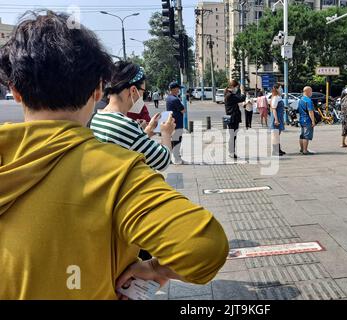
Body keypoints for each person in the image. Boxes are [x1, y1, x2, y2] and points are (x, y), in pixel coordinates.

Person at [0, 11, 228, 300]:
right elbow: (205, 247)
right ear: (97, 90)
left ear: (15, 90)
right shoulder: (117, 172)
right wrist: (156, 269)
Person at [90, 61, 174, 172]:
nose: (143, 96)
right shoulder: (124, 125)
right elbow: (163, 161)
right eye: (143, 91)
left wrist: (147, 131)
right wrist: (166, 133)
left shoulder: (97, 117)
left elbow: (127, 144)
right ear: (133, 90)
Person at [224, 80, 246, 160]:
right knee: (233, 136)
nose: (237, 89)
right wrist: (243, 91)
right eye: (237, 87)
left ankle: (231, 152)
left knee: (232, 136)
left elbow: (237, 96)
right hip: (233, 118)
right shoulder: (230, 96)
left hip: (230, 118)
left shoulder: (228, 94)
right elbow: (241, 98)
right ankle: (231, 152)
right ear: (233, 87)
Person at [166, 82, 186, 165]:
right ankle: (177, 158)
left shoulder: (168, 98)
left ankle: (171, 157)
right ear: (174, 89)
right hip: (177, 123)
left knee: (174, 140)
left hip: (172, 122)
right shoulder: (175, 99)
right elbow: (183, 110)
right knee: (177, 140)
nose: (179, 90)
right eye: (178, 88)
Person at [298, 86, 316, 155]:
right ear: (307, 91)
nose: (311, 93)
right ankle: (305, 150)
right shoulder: (308, 100)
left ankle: (302, 149)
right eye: (311, 91)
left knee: (302, 135)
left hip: (302, 119)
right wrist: (313, 121)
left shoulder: (301, 99)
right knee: (306, 136)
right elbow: (310, 111)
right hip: (307, 120)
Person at [269, 84, 286, 156]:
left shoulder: (278, 97)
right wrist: (276, 120)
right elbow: (274, 109)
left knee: (277, 135)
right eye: (280, 88)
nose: (281, 89)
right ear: (277, 89)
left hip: (279, 118)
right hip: (276, 118)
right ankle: (275, 151)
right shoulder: (275, 97)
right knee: (275, 135)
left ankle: (278, 149)